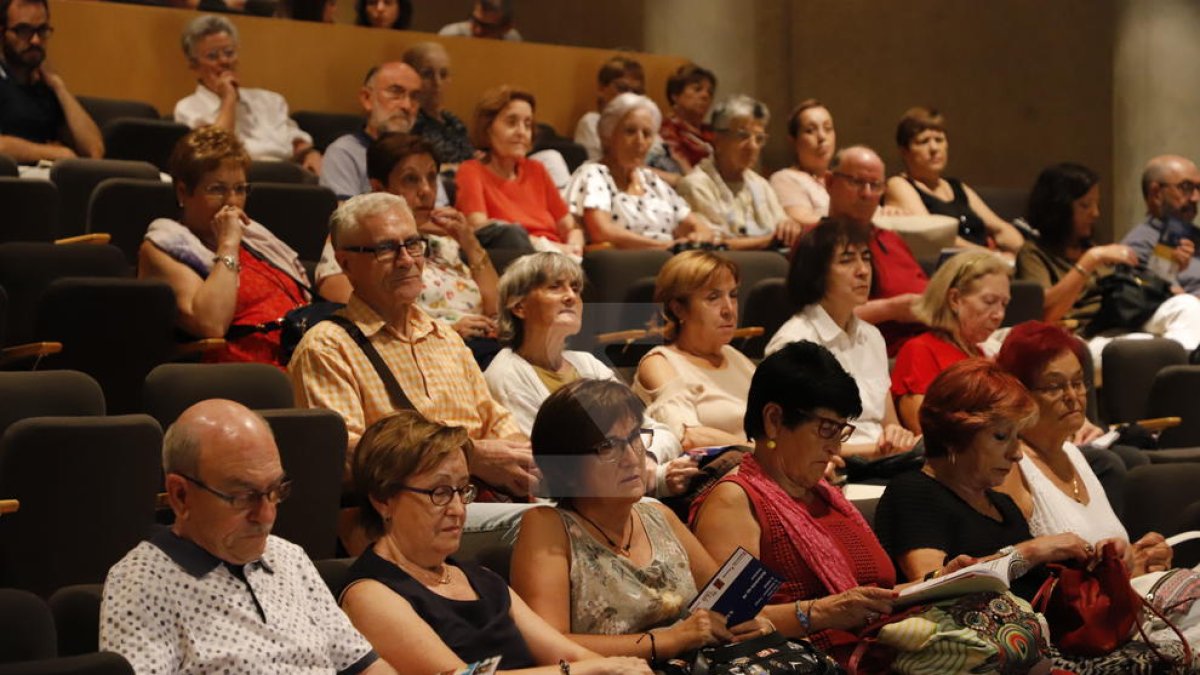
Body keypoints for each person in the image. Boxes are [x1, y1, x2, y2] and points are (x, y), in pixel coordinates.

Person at [690, 342, 972, 665]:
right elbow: (728, 622)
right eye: (826, 430)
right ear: (773, 420)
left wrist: (939, 581)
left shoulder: (825, 494)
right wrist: (821, 612)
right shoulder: (735, 501)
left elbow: (870, 599)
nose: (836, 448)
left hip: (883, 649)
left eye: (842, 432)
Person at [341, 410, 652, 675]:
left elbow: (571, 655)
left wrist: (620, 668)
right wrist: (589, 670)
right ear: (383, 500)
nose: (457, 509)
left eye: (463, 490)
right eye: (439, 492)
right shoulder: (370, 594)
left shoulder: (481, 578)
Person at [100, 399, 396, 675]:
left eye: (274, 491)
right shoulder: (141, 582)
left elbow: (364, 666)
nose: (266, 516)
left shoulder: (288, 557)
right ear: (180, 496)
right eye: (243, 497)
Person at [289, 192, 533, 500]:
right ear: (345, 262)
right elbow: (347, 459)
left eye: (413, 244)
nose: (406, 261)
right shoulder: (327, 348)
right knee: (552, 530)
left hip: (475, 501)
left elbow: (495, 420)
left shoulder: (445, 337)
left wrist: (521, 459)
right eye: (385, 248)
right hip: (396, 518)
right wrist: (469, 457)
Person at [510, 379, 772, 662]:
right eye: (608, 446)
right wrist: (669, 640)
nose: (632, 457)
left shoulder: (659, 515)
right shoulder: (547, 526)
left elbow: (724, 607)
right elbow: (550, 646)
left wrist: (752, 625)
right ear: (566, 465)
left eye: (635, 436)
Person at [483, 252, 692, 496]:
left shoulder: (587, 364)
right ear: (519, 306)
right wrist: (652, 474)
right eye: (554, 287)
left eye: (575, 288)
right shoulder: (507, 374)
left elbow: (660, 432)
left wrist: (651, 459)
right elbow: (548, 470)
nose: (571, 296)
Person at [994, 320, 1171, 576]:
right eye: (1055, 386)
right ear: (1019, 394)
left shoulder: (1074, 454)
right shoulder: (1011, 467)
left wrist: (1143, 559)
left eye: (1077, 383)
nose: (1072, 396)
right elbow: (1014, 574)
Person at [315, 133, 500, 362]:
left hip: (483, 349)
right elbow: (357, 321)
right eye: (411, 179)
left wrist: (471, 244)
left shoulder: (446, 244)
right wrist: (447, 332)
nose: (427, 190)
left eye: (432, 178)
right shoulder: (356, 245)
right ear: (378, 188)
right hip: (422, 356)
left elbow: (496, 310)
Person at [139, 126, 310, 367]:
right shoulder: (164, 249)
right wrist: (228, 245)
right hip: (241, 373)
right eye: (217, 189)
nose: (232, 201)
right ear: (182, 192)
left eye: (240, 189)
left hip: (301, 359)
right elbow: (211, 323)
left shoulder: (257, 241)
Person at [765, 219, 918, 459]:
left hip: (885, 463)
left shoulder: (872, 336)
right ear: (816, 273)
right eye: (846, 260)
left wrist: (897, 435)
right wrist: (880, 449)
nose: (863, 270)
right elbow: (792, 443)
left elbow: (890, 424)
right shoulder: (794, 343)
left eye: (866, 258)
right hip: (832, 471)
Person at [1016, 162, 1200, 360]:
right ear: (1058, 208)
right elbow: (1046, 313)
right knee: (1142, 348)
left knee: (1186, 304)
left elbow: (1136, 296)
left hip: (1117, 325)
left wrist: (1171, 269)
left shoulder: (1092, 248)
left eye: (1097, 204)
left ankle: (1187, 370)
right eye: (1085, 205)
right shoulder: (1034, 253)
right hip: (1078, 338)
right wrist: (1090, 260)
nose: (1095, 213)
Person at [632, 250, 756, 449]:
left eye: (733, 295)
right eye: (713, 297)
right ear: (678, 309)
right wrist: (762, 455)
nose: (729, 310)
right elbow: (687, 437)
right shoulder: (659, 363)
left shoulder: (735, 357)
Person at [174, 15, 320, 173]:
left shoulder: (270, 100)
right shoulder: (188, 108)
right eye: (213, 56)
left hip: (287, 175)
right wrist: (229, 98)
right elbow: (215, 154)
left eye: (229, 53)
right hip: (235, 179)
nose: (224, 61)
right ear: (193, 65)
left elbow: (296, 141)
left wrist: (311, 153)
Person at [564, 93, 710, 249]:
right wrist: (662, 246)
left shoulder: (651, 181)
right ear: (607, 135)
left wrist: (698, 237)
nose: (640, 141)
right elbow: (601, 231)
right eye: (630, 131)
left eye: (647, 134)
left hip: (668, 259)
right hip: (624, 263)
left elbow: (699, 226)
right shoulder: (594, 174)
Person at [891, 250, 1010, 433]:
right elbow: (927, 433)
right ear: (955, 299)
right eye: (989, 301)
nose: (999, 315)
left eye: (1004, 304)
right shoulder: (920, 350)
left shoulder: (986, 354)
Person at [456, 86, 583, 256]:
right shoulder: (471, 171)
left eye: (528, 124)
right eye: (511, 122)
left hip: (559, 259)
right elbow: (481, 230)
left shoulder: (536, 169)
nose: (522, 132)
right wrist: (549, 247)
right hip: (518, 262)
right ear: (487, 129)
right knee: (513, 235)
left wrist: (575, 244)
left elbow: (570, 226)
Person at [826, 146, 928, 356]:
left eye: (875, 185)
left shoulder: (891, 238)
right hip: (879, 356)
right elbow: (820, 320)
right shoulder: (818, 242)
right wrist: (892, 309)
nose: (867, 193)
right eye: (856, 182)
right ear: (829, 182)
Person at [883, 106, 1023, 256]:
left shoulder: (956, 186)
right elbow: (935, 238)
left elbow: (1000, 228)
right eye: (923, 142)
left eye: (939, 140)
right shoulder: (899, 184)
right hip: (951, 268)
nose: (934, 148)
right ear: (905, 151)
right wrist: (994, 257)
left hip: (987, 263)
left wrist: (1023, 254)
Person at [676, 95, 801, 249]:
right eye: (743, 136)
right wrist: (769, 241)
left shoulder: (761, 184)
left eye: (759, 138)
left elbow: (782, 225)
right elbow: (715, 246)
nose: (753, 146)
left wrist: (789, 227)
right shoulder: (695, 186)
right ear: (718, 139)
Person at [0, 0, 102, 163]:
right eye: (24, 30)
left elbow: (94, 150)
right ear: (2, 33)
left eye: (42, 31)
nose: (35, 40)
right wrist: (55, 153)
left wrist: (59, 88)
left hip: (45, 184)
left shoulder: (46, 87)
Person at [320, 61, 437, 203]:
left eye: (414, 97)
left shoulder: (423, 155)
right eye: (396, 92)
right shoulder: (344, 153)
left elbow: (438, 210)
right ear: (367, 98)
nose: (406, 105)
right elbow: (343, 219)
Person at [1122, 154, 1200, 294]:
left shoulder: (1195, 235)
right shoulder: (1139, 246)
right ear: (1156, 193)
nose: (1196, 198)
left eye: (1198, 188)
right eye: (1186, 187)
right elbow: (1169, 302)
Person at [404, 42, 475, 167]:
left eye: (443, 74)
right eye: (427, 74)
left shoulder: (454, 122)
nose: (437, 82)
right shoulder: (408, 124)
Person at [769, 100, 835, 227]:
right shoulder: (785, 178)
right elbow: (802, 220)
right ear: (793, 141)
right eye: (810, 130)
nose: (822, 137)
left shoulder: (840, 179)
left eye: (828, 129)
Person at [573, 56, 645, 162]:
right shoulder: (592, 122)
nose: (629, 96)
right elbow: (599, 169)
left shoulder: (646, 126)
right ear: (602, 89)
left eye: (636, 91)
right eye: (622, 88)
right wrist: (675, 179)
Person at [656, 63, 716, 177]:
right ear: (675, 95)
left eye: (710, 92)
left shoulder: (712, 132)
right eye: (697, 89)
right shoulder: (666, 131)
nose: (705, 95)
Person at [438, 0, 521, 41]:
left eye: (487, 27)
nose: (478, 30)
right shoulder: (452, 35)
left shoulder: (512, 41)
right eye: (475, 21)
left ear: (506, 27)